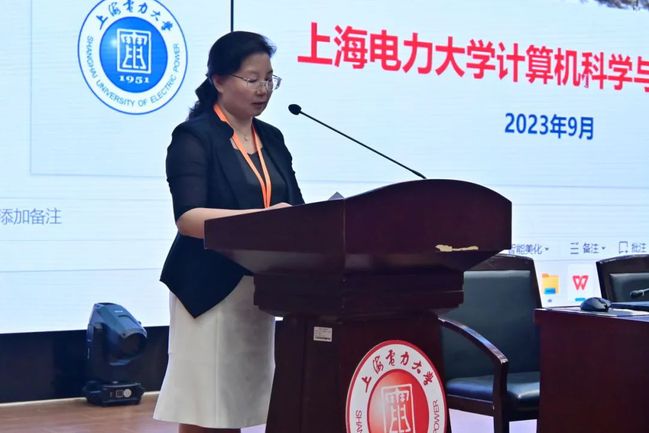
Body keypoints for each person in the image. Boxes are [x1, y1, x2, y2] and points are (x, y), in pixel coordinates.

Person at [153, 31, 304, 433]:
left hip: (257, 289)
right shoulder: (194, 136)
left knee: (236, 406)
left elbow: (295, 208)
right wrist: (265, 220)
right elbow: (188, 218)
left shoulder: (271, 137)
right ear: (219, 80)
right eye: (252, 79)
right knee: (207, 407)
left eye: (269, 79)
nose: (263, 89)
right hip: (208, 287)